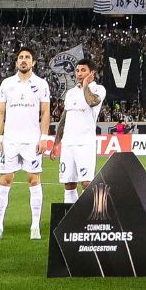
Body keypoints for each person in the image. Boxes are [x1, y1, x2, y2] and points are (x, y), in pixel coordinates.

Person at [0, 47, 53, 240]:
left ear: (33, 62)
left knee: (33, 180)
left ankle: (35, 226)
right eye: (21, 57)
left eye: (27, 57)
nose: (24, 60)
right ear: (16, 62)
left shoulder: (41, 84)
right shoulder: (7, 84)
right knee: (5, 181)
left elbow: (45, 112)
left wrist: (44, 138)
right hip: (10, 140)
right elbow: (0, 113)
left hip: (31, 141)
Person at [58, 58, 106, 202]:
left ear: (92, 73)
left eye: (83, 70)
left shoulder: (99, 89)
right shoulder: (71, 93)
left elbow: (92, 101)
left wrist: (86, 85)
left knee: (86, 183)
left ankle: (89, 217)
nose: (79, 73)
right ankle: (70, 218)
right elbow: (64, 118)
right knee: (69, 183)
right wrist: (56, 143)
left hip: (85, 143)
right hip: (67, 144)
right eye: (77, 70)